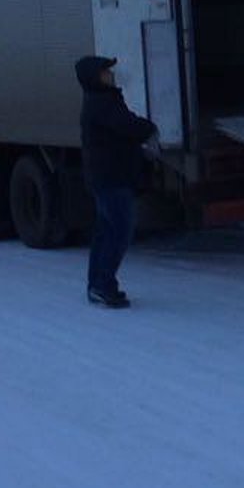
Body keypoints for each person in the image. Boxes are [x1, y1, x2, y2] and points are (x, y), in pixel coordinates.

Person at [75, 55, 158, 308]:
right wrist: (150, 128)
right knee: (120, 231)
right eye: (105, 72)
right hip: (111, 179)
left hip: (107, 178)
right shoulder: (101, 103)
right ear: (94, 77)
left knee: (105, 232)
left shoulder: (104, 100)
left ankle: (97, 285)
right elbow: (128, 125)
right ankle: (102, 285)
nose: (110, 75)